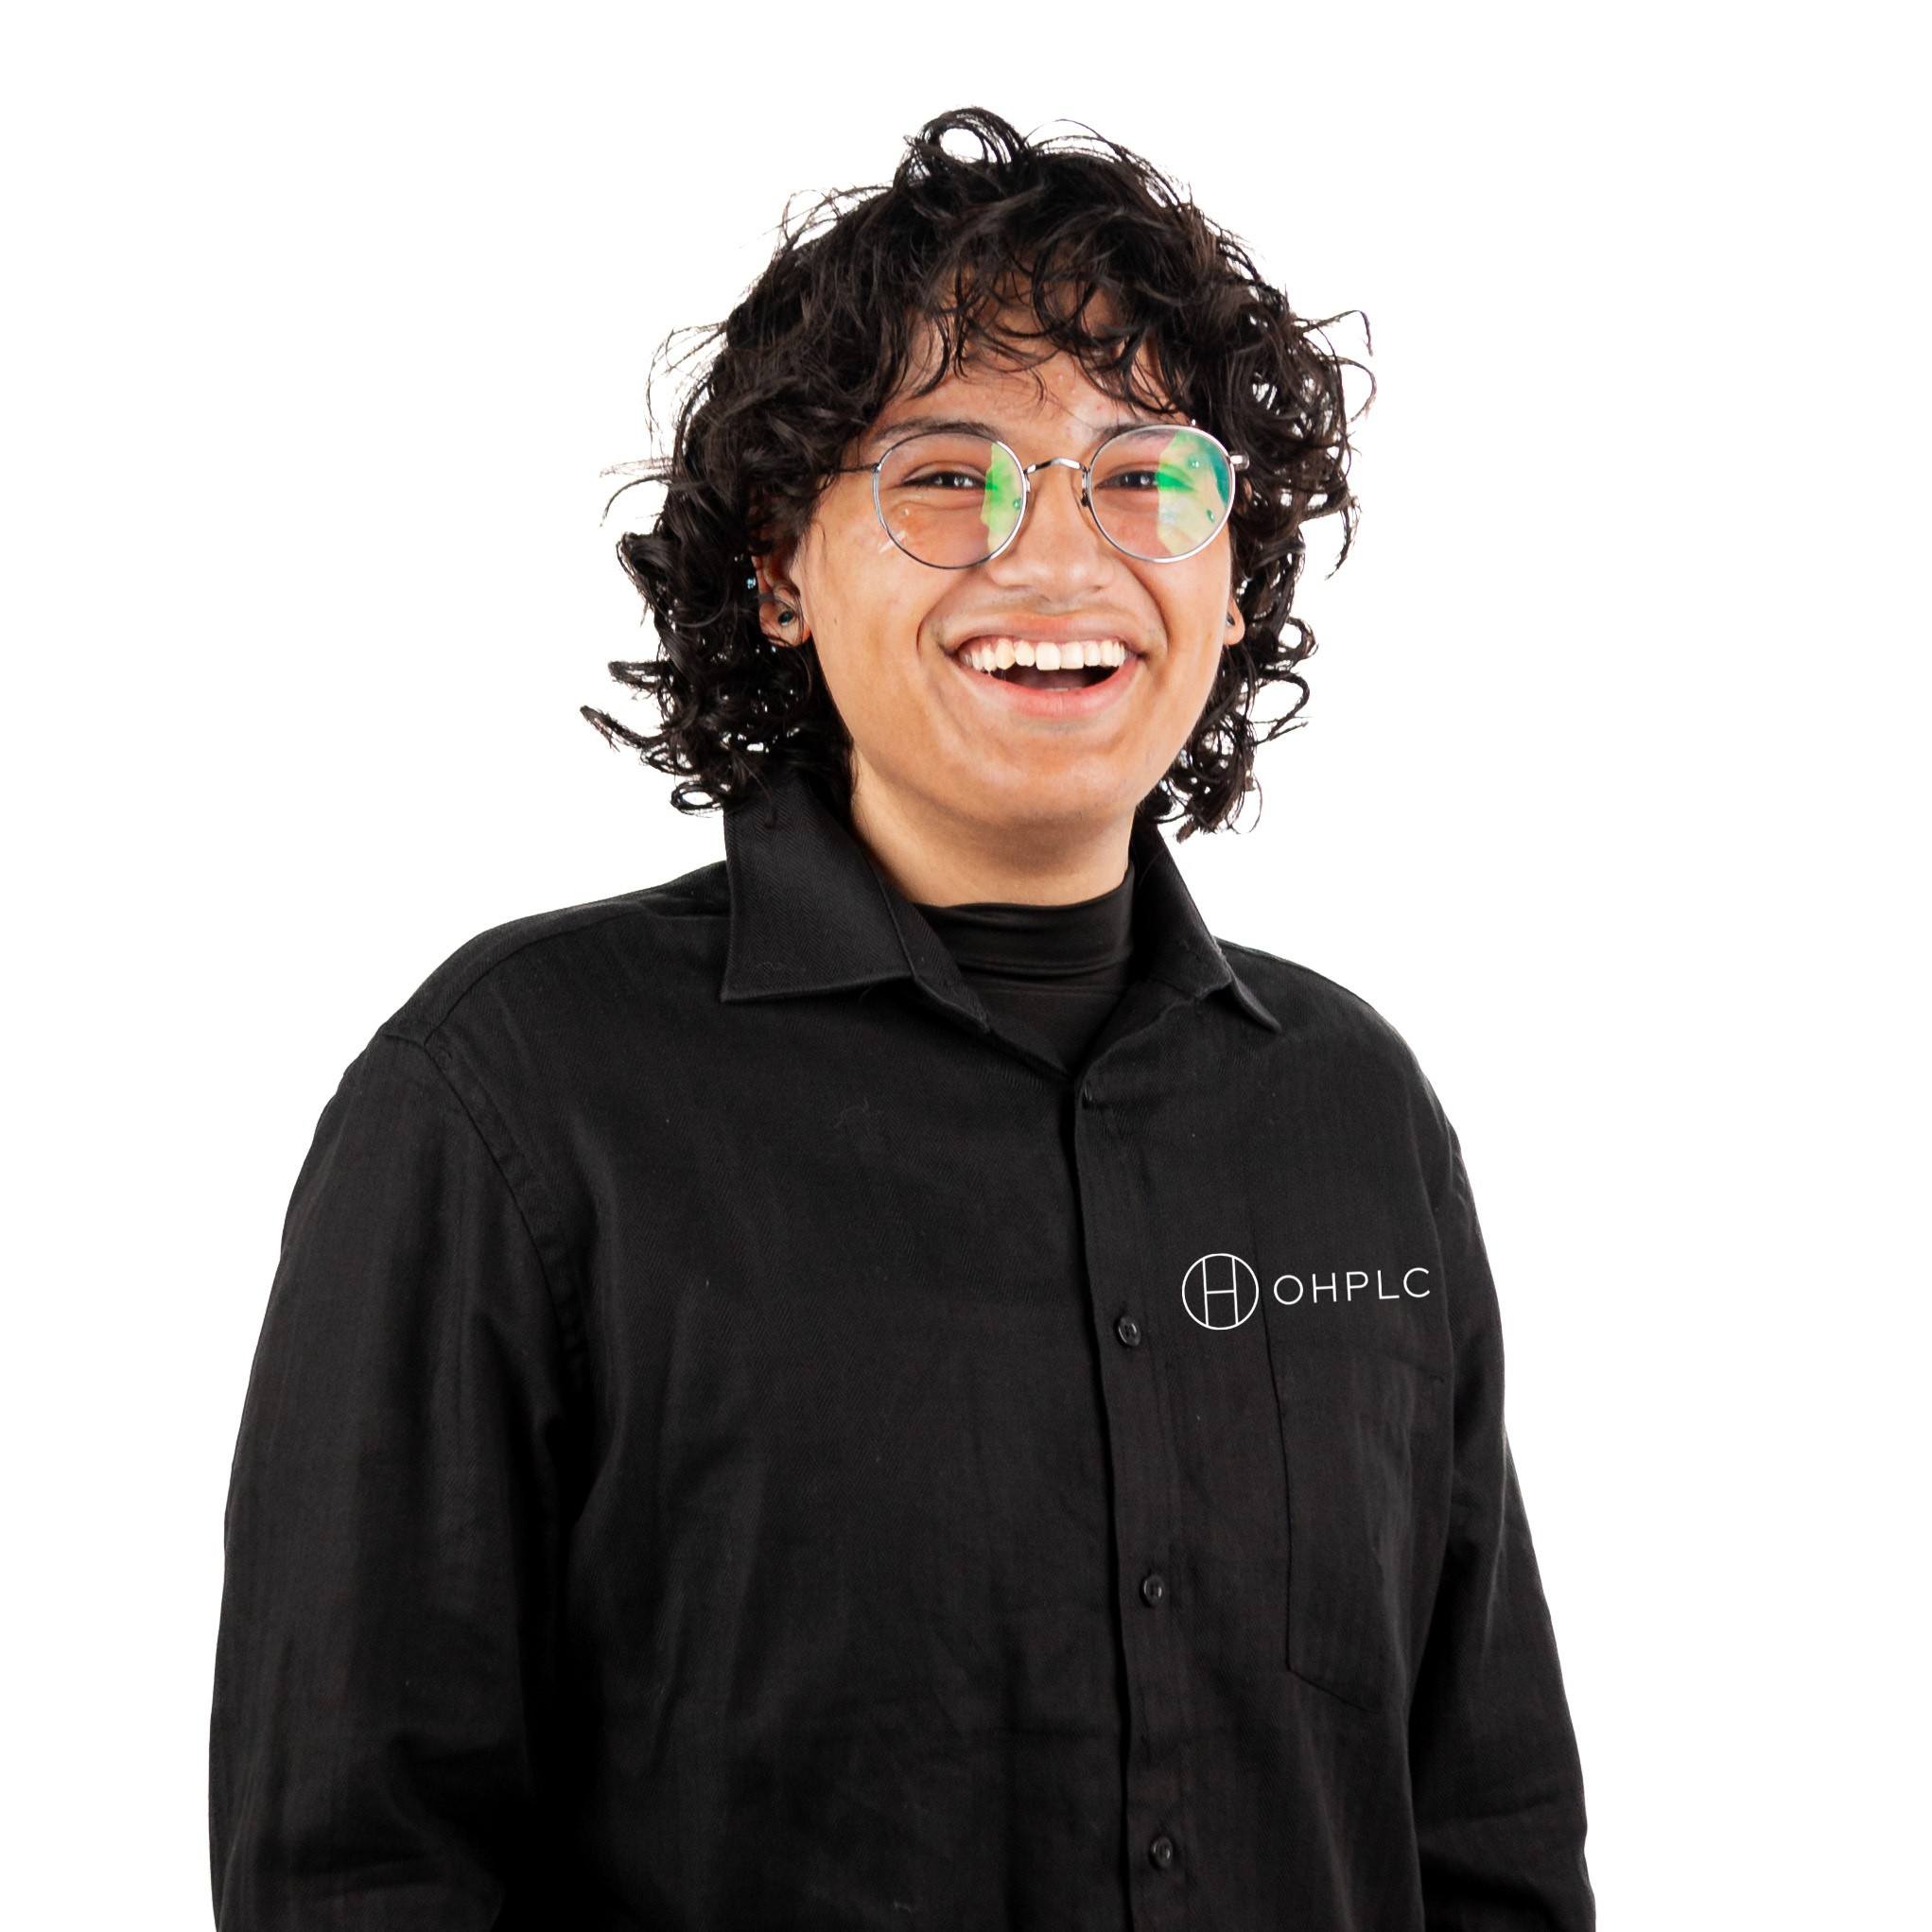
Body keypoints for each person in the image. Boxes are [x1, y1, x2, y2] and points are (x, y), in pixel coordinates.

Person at [209, 108, 1593, 1928]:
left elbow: (1487, 1834)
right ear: (780, 566)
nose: (1059, 560)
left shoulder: (1353, 1111)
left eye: (1142, 476)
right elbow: (356, 1864)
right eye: (948, 475)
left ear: (1231, 567)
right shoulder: (514, 1097)